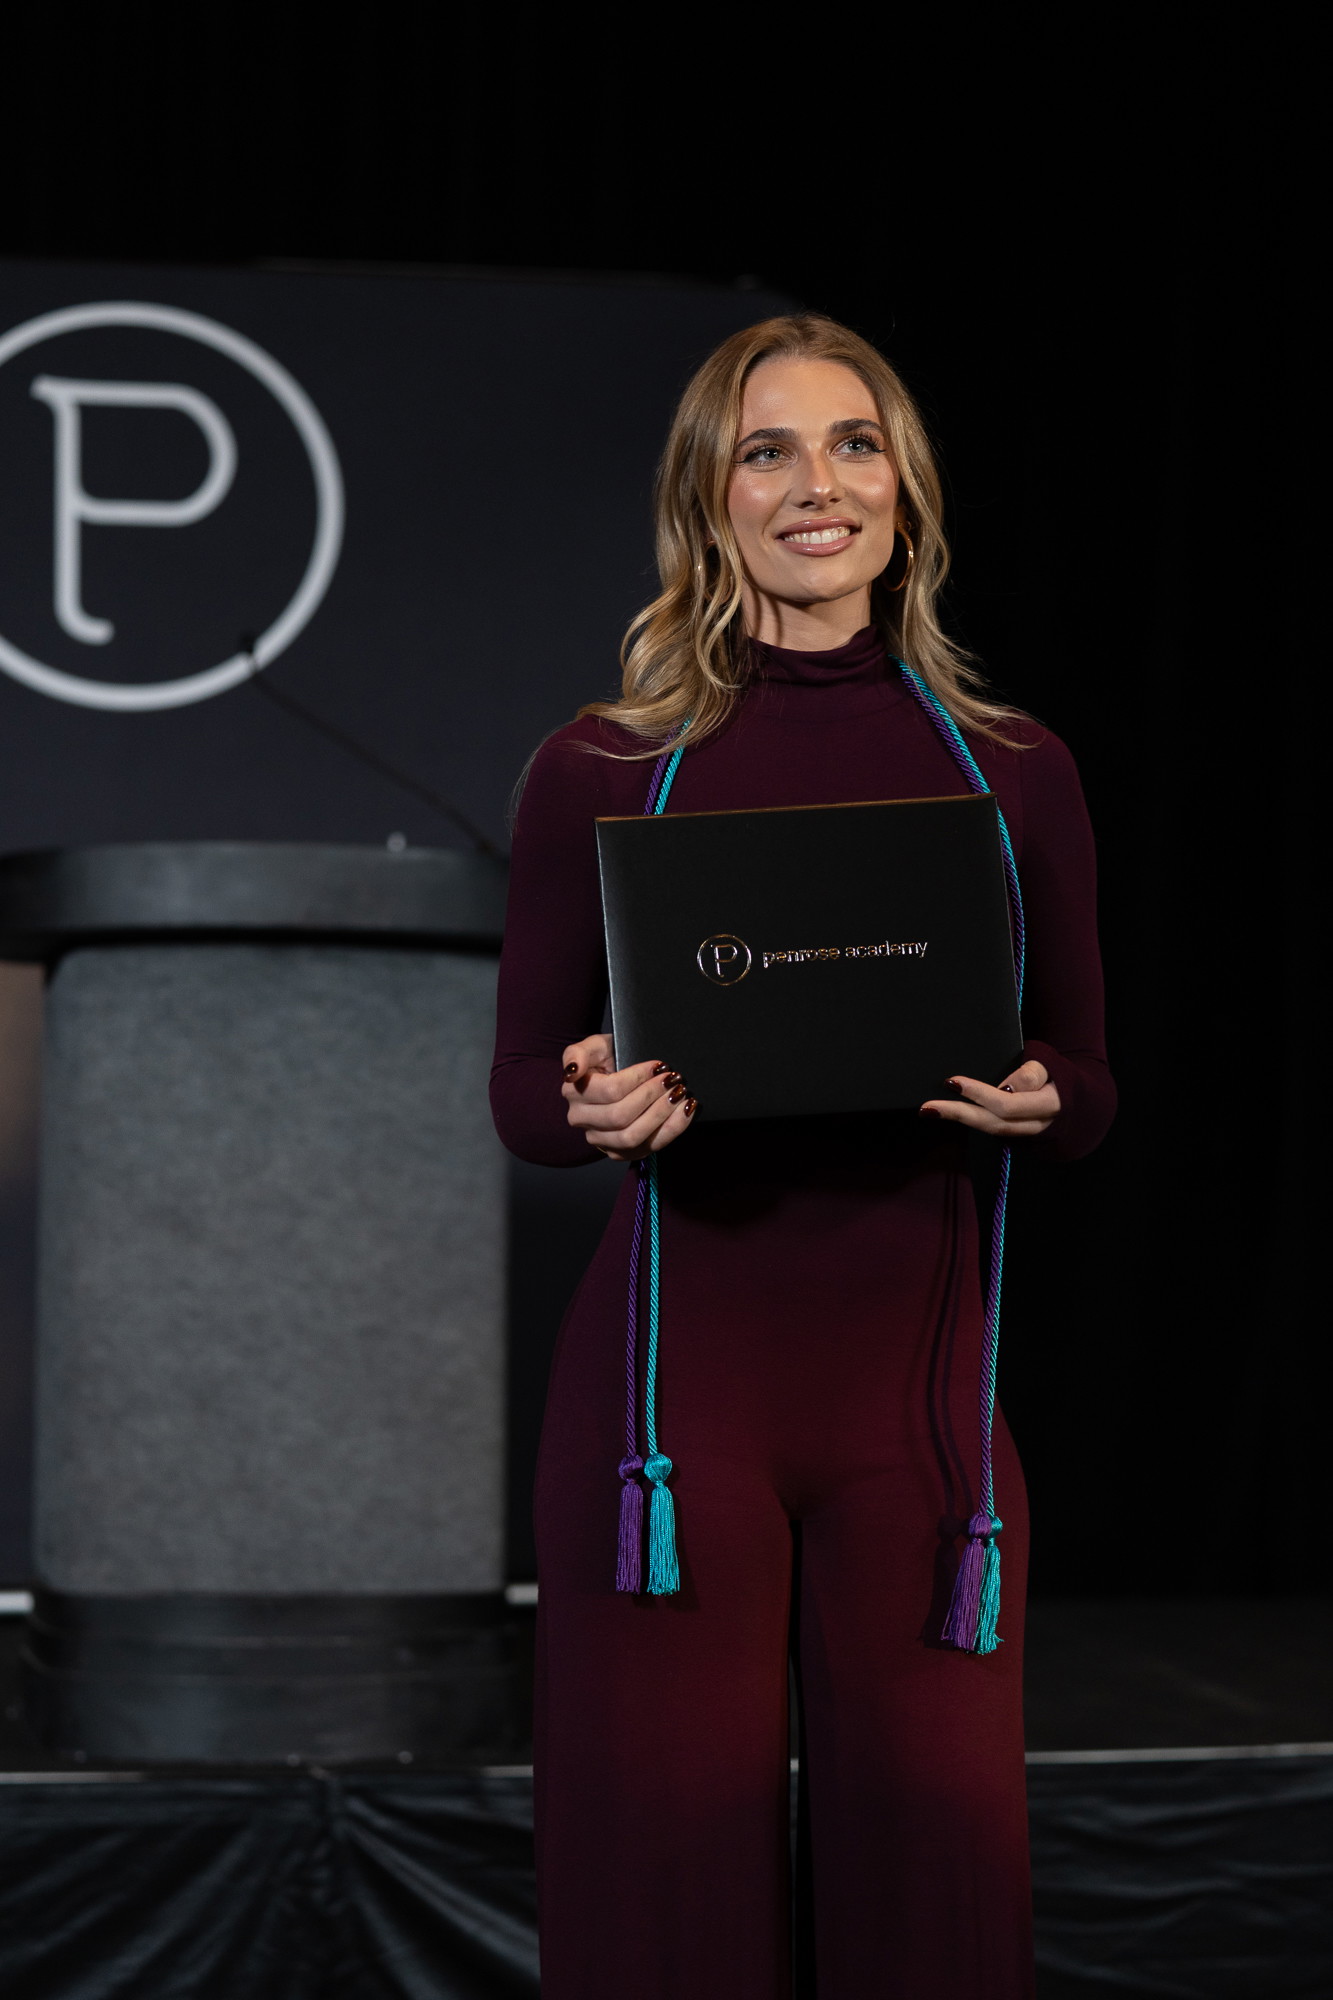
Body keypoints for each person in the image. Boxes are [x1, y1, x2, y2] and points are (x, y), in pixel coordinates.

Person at [490, 313, 1115, 2000]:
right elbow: (526, 1097)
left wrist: (1046, 1097)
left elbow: (1086, 1079)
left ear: (904, 490)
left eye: (851, 444)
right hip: (665, 1431)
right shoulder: (603, 767)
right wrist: (591, 1101)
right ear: (709, 496)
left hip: (920, 1422)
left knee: (938, 1909)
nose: (813, 484)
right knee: (660, 1908)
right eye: (765, 450)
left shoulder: (1014, 770)